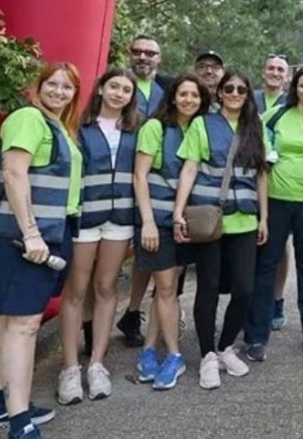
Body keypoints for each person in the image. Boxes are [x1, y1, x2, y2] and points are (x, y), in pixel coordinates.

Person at [0, 62, 83, 439]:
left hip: (49, 231)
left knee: (12, 322)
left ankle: (2, 404)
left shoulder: (56, 126)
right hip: (28, 237)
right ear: (37, 86)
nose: (59, 92)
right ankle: (19, 421)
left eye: (67, 87)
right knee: (24, 326)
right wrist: (31, 234)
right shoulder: (28, 118)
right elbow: (14, 173)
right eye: (52, 84)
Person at [173, 71, 272, 390]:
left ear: (247, 95)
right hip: (210, 218)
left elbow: (261, 176)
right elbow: (189, 168)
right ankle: (206, 356)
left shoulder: (255, 128)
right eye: (228, 88)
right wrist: (178, 212)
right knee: (208, 287)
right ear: (219, 93)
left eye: (241, 89)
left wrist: (264, 218)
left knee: (244, 288)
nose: (234, 93)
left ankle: (225, 345)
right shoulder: (203, 124)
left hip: (244, 220)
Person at [58, 68, 142, 404]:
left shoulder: (136, 130)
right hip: (84, 217)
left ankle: (96, 363)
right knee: (76, 290)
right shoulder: (78, 125)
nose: (119, 93)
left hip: (120, 219)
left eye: (126, 89)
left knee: (107, 287)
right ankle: (69, 368)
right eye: (114, 86)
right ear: (102, 89)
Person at [244, 66, 303, 362]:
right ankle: (256, 336)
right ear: (294, 88)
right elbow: (253, 135)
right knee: (265, 267)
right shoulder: (277, 114)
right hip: (275, 199)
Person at [131, 74, 209, 392]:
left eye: (195, 95)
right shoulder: (155, 128)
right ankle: (174, 354)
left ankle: (150, 349)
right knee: (165, 287)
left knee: (167, 289)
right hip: (158, 221)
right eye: (183, 94)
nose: (189, 99)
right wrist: (147, 221)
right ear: (173, 97)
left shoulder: (202, 128)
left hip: (188, 221)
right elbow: (139, 176)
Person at [116, 36, 168, 347]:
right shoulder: (117, 85)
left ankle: (133, 313)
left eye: (150, 53)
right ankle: (91, 322)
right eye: (137, 51)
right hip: (119, 179)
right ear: (129, 54)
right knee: (110, 256)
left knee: (146, 252)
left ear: (159, 58)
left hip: (153, 183)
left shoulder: (165, 91)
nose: (143, 57)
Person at [252, 54, 293, 333]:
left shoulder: (292, 103)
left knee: (280, 245)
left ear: (287, 76)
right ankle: (252, 301)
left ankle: (276, 299)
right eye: (271, 68)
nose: (275, 73)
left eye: (280, 70)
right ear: (262, 71)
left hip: (279, 179)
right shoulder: (248, 97)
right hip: (250, 177)